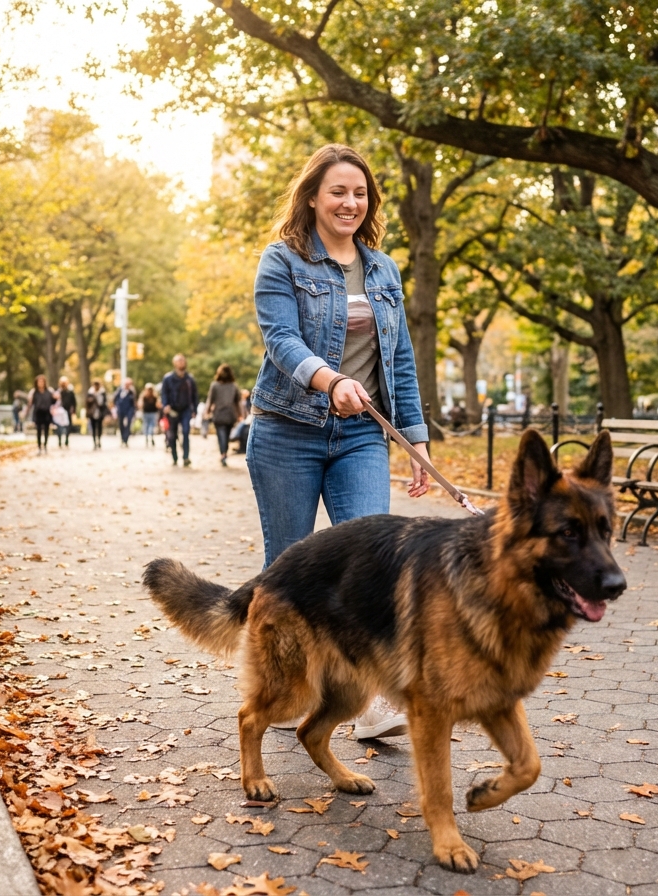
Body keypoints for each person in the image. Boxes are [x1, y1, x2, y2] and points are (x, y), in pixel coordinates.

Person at [248, 144, 431, 740]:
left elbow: (399, 358)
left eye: (359, 193)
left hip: (360, 435)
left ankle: (374, 700)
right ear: (312, 198)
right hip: (287, 431)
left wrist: (416, 439)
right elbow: (281, 338)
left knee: (375, 565)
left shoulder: (383, 270)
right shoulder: (282, 261)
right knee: (288, 567)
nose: (350, 203)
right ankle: (284, 684)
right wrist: (330, 380)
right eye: (338, 192)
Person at [160, 354, 198, 467]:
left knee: (186, 432)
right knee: (172, 434)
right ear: (174, 363)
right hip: (172, 409)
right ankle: (174, 457)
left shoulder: (190, 379)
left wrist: (194, 409)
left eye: (183, 360)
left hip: (186, 409)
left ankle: (186, 457)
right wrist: (165, 405)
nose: (181, 362)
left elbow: (195, 395)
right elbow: (164, 393)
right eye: (179, 360)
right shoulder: (168, 378)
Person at [206, 364, 243, 467]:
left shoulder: (215, 385)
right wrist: (240, 414)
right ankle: (224, 453)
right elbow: (238, 402)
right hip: (230, 414)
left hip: (218, 414)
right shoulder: (234, 386)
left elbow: (210, 400)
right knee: (226, 436)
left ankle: (223, 454)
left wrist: (207, 412)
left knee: (221, 435)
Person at [24, 375, 57, 453]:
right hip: (38, 413)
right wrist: (26, 412)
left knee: (46, 430)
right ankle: (39, 447)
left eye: (42, 381)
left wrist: (55, 399)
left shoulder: (49, 391)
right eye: (39, 382)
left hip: (47, 413)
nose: (41, 383)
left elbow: (53, 402)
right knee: (38, 430)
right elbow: (30, 403)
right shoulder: (34, 392)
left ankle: (45, 446)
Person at [113, 378, 137, 447]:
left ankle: (126, 439)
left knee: (128, 425)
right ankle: (122, 438)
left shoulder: (131, 392)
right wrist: (117, 406)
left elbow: (133, 402)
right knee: (121, 425)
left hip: (129, 410)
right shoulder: (120, 390)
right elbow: (115, 398)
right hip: (121, 410)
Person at [86, 379, 108, 449]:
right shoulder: (90, 392)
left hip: (100, 412)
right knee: (93, 427)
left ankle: (99, 440)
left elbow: (104, 403)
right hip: (92, 412)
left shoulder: (102, 393)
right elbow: (87, 402)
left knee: (99, 427)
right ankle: (94, 442)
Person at [58, 377, 78, 444]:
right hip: (59, 412)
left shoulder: (70, 392)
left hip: (68, 411)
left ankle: (66, 438)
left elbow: (74, 402)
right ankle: (60, 439)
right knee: (59, 426)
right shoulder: (59, 392)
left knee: (68, 425)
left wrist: (74, 411)